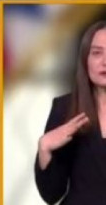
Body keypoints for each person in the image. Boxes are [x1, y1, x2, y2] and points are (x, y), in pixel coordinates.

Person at [35, 20, 106, 204]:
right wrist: (45, 148)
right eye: (97, 53)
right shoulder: (65, 108)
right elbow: (52, 194)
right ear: (85, 60)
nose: (105, 62)